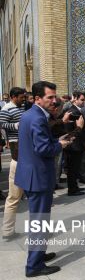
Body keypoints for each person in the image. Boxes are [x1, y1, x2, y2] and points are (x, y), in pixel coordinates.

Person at [15, 81, 72, 277]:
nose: (54, 101)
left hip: (32, 175)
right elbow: (43, 149)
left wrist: (56, 140)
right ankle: (34, 266)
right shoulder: (38, 118)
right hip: (38, 178)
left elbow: (37, 144)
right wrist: (61, 145)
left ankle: (38, 255)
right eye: (50, 97)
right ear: (38, 98)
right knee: (40, 222)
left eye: (54, 97)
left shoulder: (31, 114)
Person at [1, 87, 26, 239]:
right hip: (16, 144)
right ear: (13, 97)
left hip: (25, 143)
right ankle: (8, 230)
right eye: (21, 97)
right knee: (13, 195)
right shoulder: (6, 109)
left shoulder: (21, 107)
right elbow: (2, 124)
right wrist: (16, 126)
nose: (23, 99)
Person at [65, 92, 85, 195]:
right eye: (82, 99)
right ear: (75, 99)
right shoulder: (73, 112)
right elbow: (76, 131)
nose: (83, 101)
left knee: (75, 168)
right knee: (72, 169)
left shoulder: (78, 110)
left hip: (78, 145)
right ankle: (72, 189)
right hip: (74, 146)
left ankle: (75, 186)